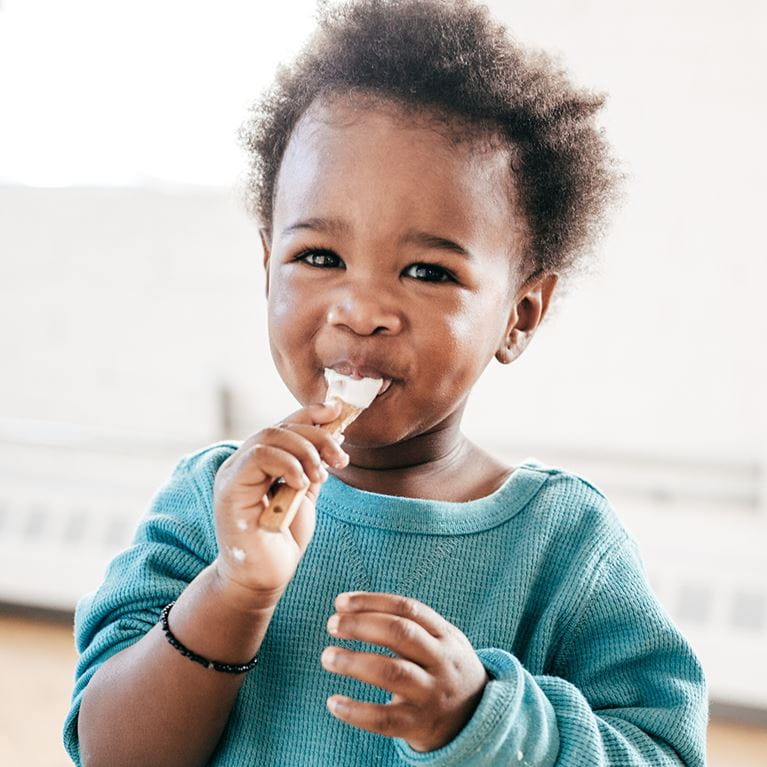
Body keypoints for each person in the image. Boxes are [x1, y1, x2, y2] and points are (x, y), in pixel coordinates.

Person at [64, 1, 707, 765]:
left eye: (428, 270)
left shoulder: (564, 545)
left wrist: (485, 719)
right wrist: (232, 593)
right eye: (318, 256)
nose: (361, 309)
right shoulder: (206, 503)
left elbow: (660, 752)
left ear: (519, 314)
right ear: (266, 263)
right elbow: (113, 752)